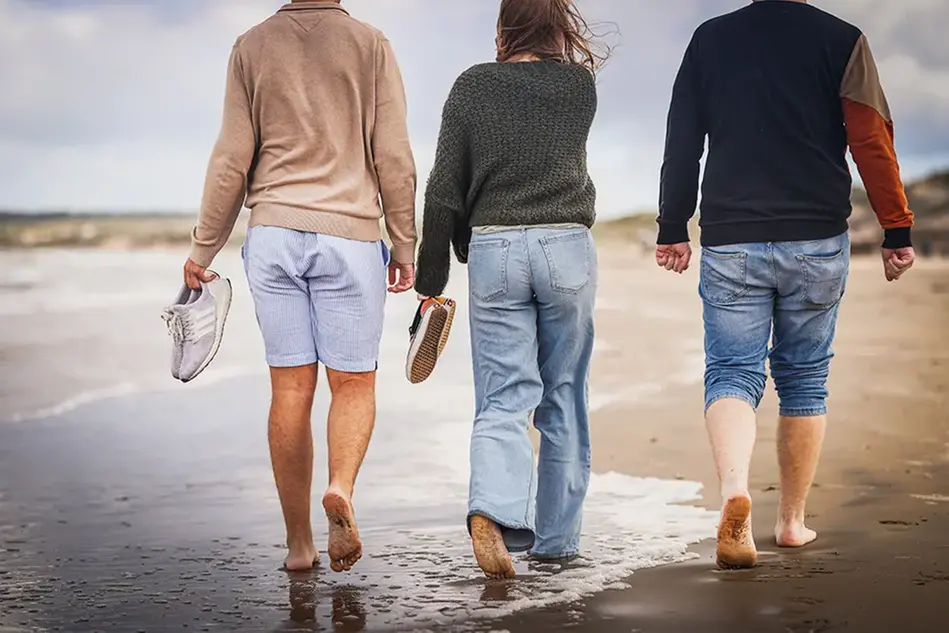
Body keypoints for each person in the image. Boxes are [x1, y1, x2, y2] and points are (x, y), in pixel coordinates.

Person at [656, 0, 915, 569]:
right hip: (817, 238)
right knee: (804, 380)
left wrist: (673, 226)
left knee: (732, 372)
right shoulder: (843, 39)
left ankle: (732, 493)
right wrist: (896, 228)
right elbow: (871, 139)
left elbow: (683, 139)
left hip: (732, 238)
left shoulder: (710, 38)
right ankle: (792, 523)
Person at [183, 0, 417, 573]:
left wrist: (203, 248)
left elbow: (231, 160)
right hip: (349, 237)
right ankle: (339, 487)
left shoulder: (251, 46)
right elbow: (393, 156)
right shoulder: (371, 44)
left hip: (274, 234)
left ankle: (298, 545)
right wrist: (405, 242)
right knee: (353, 384)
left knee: (290, 388)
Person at [414, 0, 608, 579]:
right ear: (558, 26)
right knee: (564, 395)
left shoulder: (472, 87)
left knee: (504, 399)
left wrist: (431, 281)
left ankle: (491, 512)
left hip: (495, 250)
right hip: (566, 248)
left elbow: (444, 189)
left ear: (503, 28)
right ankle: (556, 544)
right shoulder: (580, 87)